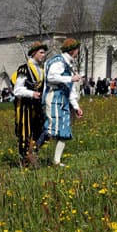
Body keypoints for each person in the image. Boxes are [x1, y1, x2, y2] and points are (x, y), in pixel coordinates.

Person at [42, 38, 84, 168]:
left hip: (63, 99)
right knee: (52, 129)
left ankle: (56, 161)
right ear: (73, 50)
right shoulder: (58, 61)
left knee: (64, 131)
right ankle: (33, 151)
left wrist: (76, 106)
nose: (78, 52)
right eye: (77, 49)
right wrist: (70, 78)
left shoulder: (68, 64)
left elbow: (69, 87)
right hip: (54, 97)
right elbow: (51, 77)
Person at [12, 42, 48, 167]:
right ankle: (25, 159)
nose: (43, 55)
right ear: (34, 53)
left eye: (44, 52)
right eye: (41, 52)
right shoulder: (24, 69)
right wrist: (31, 93)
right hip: (24, 106)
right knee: (24, 133)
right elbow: (17, 90)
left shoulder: (42, 70)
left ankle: (32, 152)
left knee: (42, 131)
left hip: (36, 106)